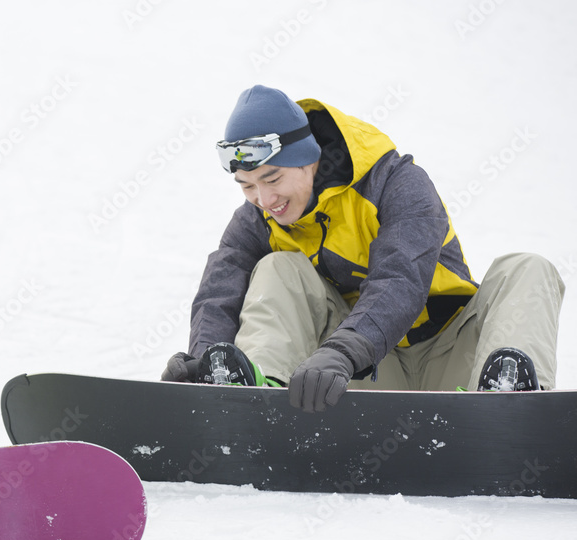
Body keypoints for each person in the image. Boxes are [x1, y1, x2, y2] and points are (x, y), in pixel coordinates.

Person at [163, 85, 565, 412]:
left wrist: (343, 351)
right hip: (355, 379)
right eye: (247, 186)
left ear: (309, 160)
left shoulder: (395, 183)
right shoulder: (257, 221)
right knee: (278, 269)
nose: (264, 199)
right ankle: (251, 401)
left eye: (272, 178)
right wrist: (203, 361)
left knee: (527, 267)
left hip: (451, 356)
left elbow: (401, 278)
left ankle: (508, 402)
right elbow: (219, 294)